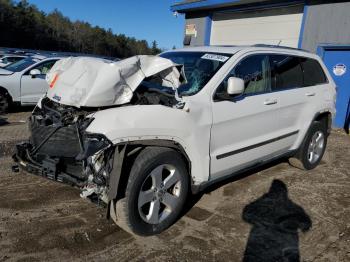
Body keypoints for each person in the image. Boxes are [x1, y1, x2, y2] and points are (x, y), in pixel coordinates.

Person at [242, 179, 312, 262]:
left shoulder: (261, 203)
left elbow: (246, 215)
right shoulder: (292, 207)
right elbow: (306, 225)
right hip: (276, 248)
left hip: (263, 248)